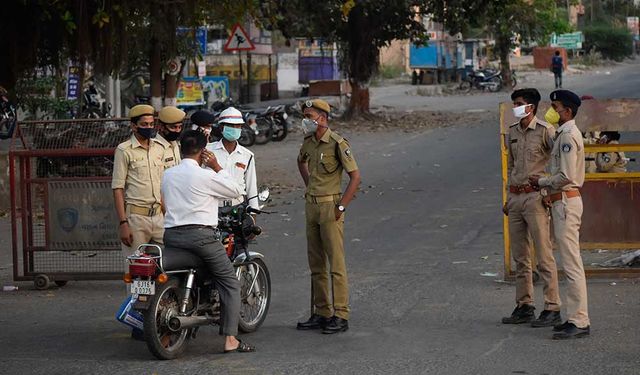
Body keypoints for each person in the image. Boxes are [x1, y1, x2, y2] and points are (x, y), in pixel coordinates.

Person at [161, 130, 255, 353]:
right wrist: (216, 166)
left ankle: (165, 334)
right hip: (201, 237)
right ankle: (231, 340)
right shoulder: (205, 175)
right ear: (204, 151)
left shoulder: (169, 174)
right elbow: (236, 191)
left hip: (172, 236)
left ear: (180, 149)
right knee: (230, 282)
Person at [296, 99, 361, 334]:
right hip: (311, 206)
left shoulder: (337, 143)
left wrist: (341, 207)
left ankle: (340, 315)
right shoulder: (308, 143)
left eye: (308, 115)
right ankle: (322, 312)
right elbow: (301, 161)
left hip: (330, 207)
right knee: (316, 264)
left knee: (336, 264)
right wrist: (309, 185)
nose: (305, 120)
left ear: (322, 118)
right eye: (304, 115)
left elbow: (355, 177)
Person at [529, 90, 590, 340]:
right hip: (561, 202)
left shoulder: (567, 135)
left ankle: (580, 320)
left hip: (566, 202)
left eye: (554, 106)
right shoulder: (563, 134)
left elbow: (566, 177)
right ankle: (574, 316)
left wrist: (541, 181)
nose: (551, 110)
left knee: (572, 264)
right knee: (569, 262)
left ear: (566, 111)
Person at [502, 88, 561, 327]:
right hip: (516, 198)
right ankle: (524, 305)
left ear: (531, 107)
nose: (515, 107)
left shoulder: (546, 131)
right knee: (521, 257)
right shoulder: (513, 132)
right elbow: (511, 166)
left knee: (544, 256)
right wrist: (508, 197)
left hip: (536, 197)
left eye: (519, 103)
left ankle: (552, 306)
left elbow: (558, 163)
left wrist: (549, 191)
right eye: (514, 103)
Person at [111, 104, 166, 340]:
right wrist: (123, 222)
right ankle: (138, 322)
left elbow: (165, 182)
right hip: (136, 218)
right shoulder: (124, 150)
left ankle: (162, 315)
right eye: (144, 125)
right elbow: (118, 187)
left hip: (160, 217)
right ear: (133, 126)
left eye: (152, 124)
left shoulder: (159, 148)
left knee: (166, 266)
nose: (149, 128)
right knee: (139, 273)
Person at [206, 107, 258, 210]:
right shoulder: (207, 151)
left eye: (237, 126)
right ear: (221, 127)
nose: (234, 128)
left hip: (238, 207)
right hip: (212, 207)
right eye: (230, 125)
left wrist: (253, 213)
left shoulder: (247, 155)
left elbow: (251, 188)